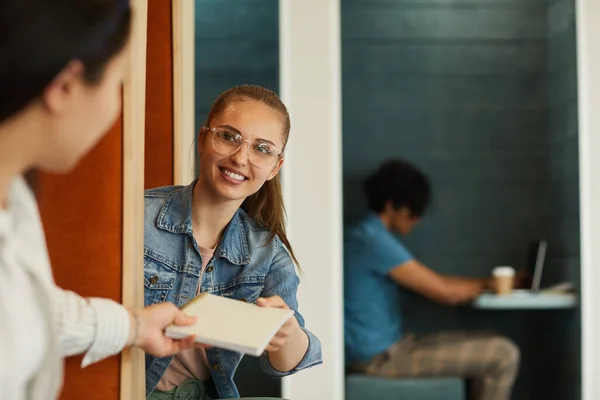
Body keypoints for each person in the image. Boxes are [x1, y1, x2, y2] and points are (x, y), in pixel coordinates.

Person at [0, 1, 201, 399]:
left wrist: (134, 326)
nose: (116, 106)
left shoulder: (16, 197)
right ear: (65, 86)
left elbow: (26, 313)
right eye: (118, 83)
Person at [143, 84, 322, 400]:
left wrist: (286, 331)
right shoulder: (138, 217)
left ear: (274, 168)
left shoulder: (266, 251)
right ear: (203, 140)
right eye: (229, 137)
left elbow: (287, 363)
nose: (241, 158)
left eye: (262, 149)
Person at [344, 159, 520, 400]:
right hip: (380, 359)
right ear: (391, 205)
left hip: (390, 348)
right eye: (413, 211)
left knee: (494, 340)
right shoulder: (371, 240)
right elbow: (446, 292)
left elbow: (433, 283)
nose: (417, 219)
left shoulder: (364, 235)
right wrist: (494, 284)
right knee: (503, 353)